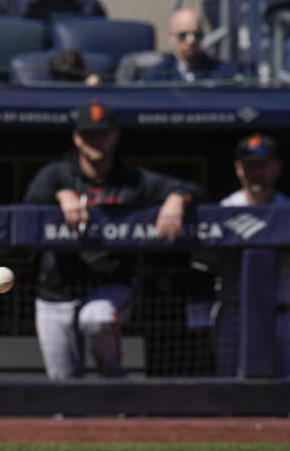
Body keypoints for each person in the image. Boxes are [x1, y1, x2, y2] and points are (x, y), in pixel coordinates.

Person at [22, 101, 204, 380]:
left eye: (102, 133)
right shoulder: (57, 174)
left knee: (97, 320)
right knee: (61, 382)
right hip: (56, 288)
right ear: (76, 138)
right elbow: (30, 204)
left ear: (115, 136)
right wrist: (61, 194)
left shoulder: (132, 178)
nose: (96, 140)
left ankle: (116, 388)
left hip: (110, 284)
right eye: (88, 134)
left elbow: (193, 189)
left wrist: (178, 199)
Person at [197, 133, 290, 378]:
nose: (257, 173)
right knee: (231, 393)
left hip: (280, 312)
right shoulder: (225, 210)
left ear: (276, 168)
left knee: (278, 395)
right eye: (251, 166)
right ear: (239, 169)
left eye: (262, 166)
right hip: (234, 313)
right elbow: (203, 261)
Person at [137, 8, 239, 82]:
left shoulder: (222, 72)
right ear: (171, 37)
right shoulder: (157, 76)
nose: (191, 40)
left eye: (197, 34)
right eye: (183, 35)